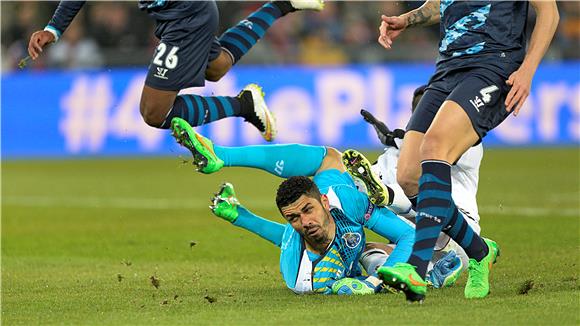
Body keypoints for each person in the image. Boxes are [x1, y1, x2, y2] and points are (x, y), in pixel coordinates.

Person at [377, 0, 559, 302]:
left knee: (435, 147)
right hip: (447, 70)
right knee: (408, 175)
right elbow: (441, 5)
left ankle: (416, 269)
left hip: (493, 65)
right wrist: (406, 20)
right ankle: (479, 251)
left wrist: (528, 70)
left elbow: (549, 11)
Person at [170, 116, 416, 295]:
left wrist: (374, 283)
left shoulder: (342, 199)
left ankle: (223, 155)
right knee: (384, 251)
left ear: (324, 201)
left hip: (345, 201)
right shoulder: (302, 278)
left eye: (308, 210)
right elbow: (289, 235)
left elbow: (407, 235)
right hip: (345, 240)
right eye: (294, 218)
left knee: (331, 158)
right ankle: (397, 203)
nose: (304, 222)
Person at [27, 1, 324, 141]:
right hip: (181, 17)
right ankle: (280, 5)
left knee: (154, 112)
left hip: (186, 19)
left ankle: (244, 105)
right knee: (217, 66)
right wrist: (53, 29)